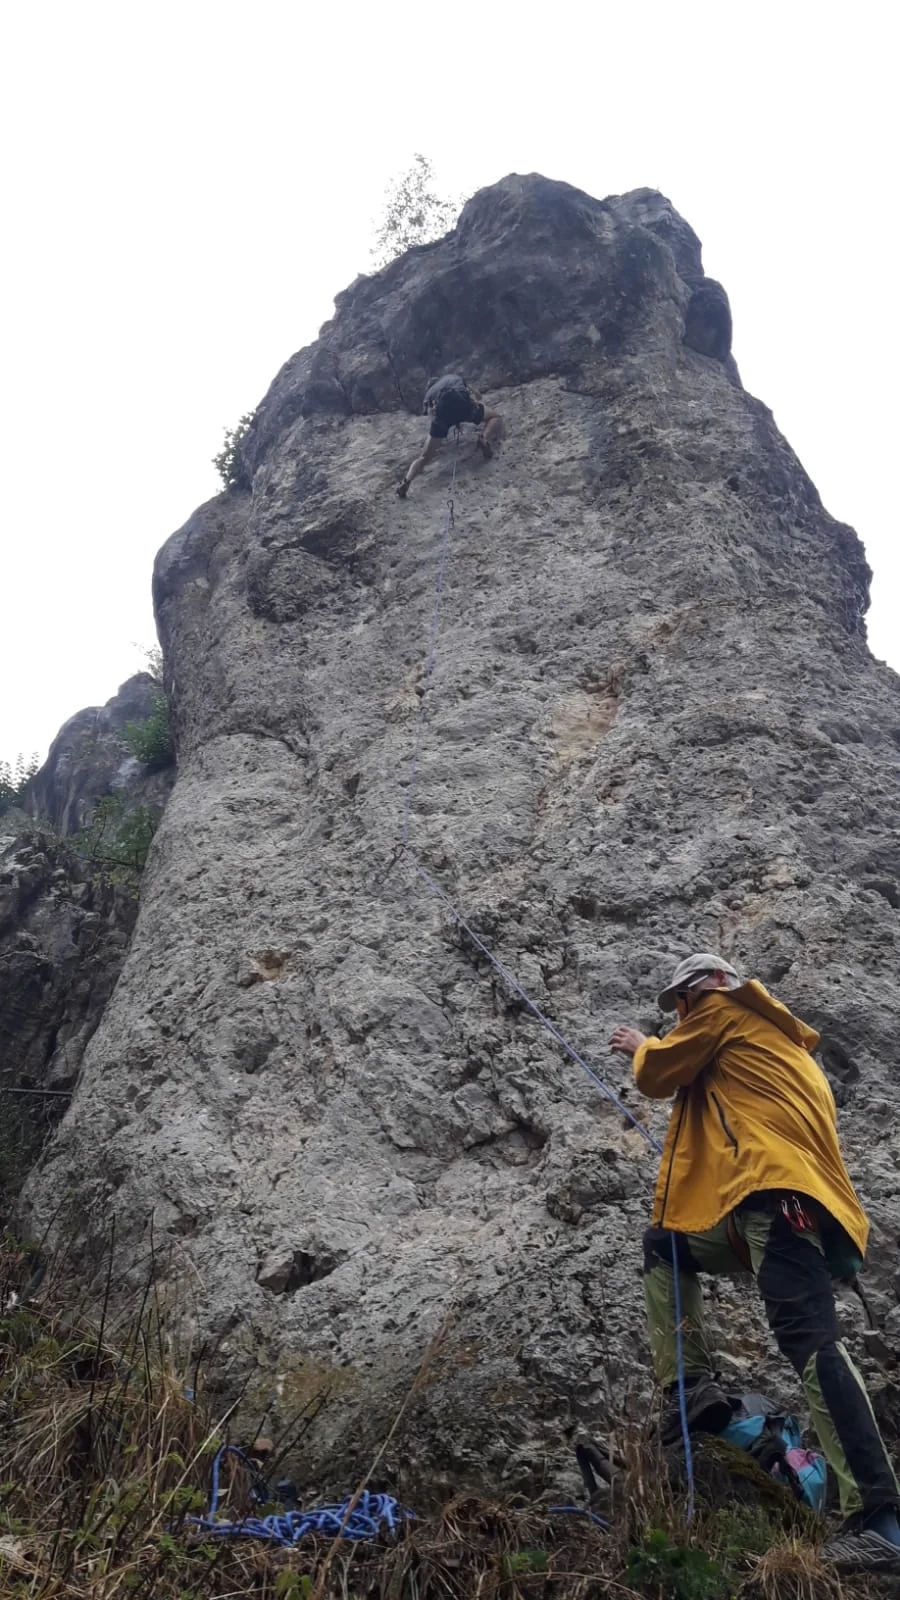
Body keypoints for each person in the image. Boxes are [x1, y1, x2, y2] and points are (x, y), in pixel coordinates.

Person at [610, 953, 900, 1573]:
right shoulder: (781, 1045)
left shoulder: (726, 1011)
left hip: (775, 1199)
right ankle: (689, 1389)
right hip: (771, 1207)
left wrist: (645, 1044)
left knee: (813, 1343)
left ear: (715, 982)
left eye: (686, 998)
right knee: (665, 1243)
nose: (685, 1010)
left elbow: (659, 1074)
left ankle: (879, 1518)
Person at [396, 374, 502, 498]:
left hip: (441, 419)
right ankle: (484, 438)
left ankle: (406, 481)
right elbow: (477, 396)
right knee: (495, 417)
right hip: (464, 408)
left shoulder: (429, 395)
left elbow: (428, 414)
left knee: (424, 457)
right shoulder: (454, 378)